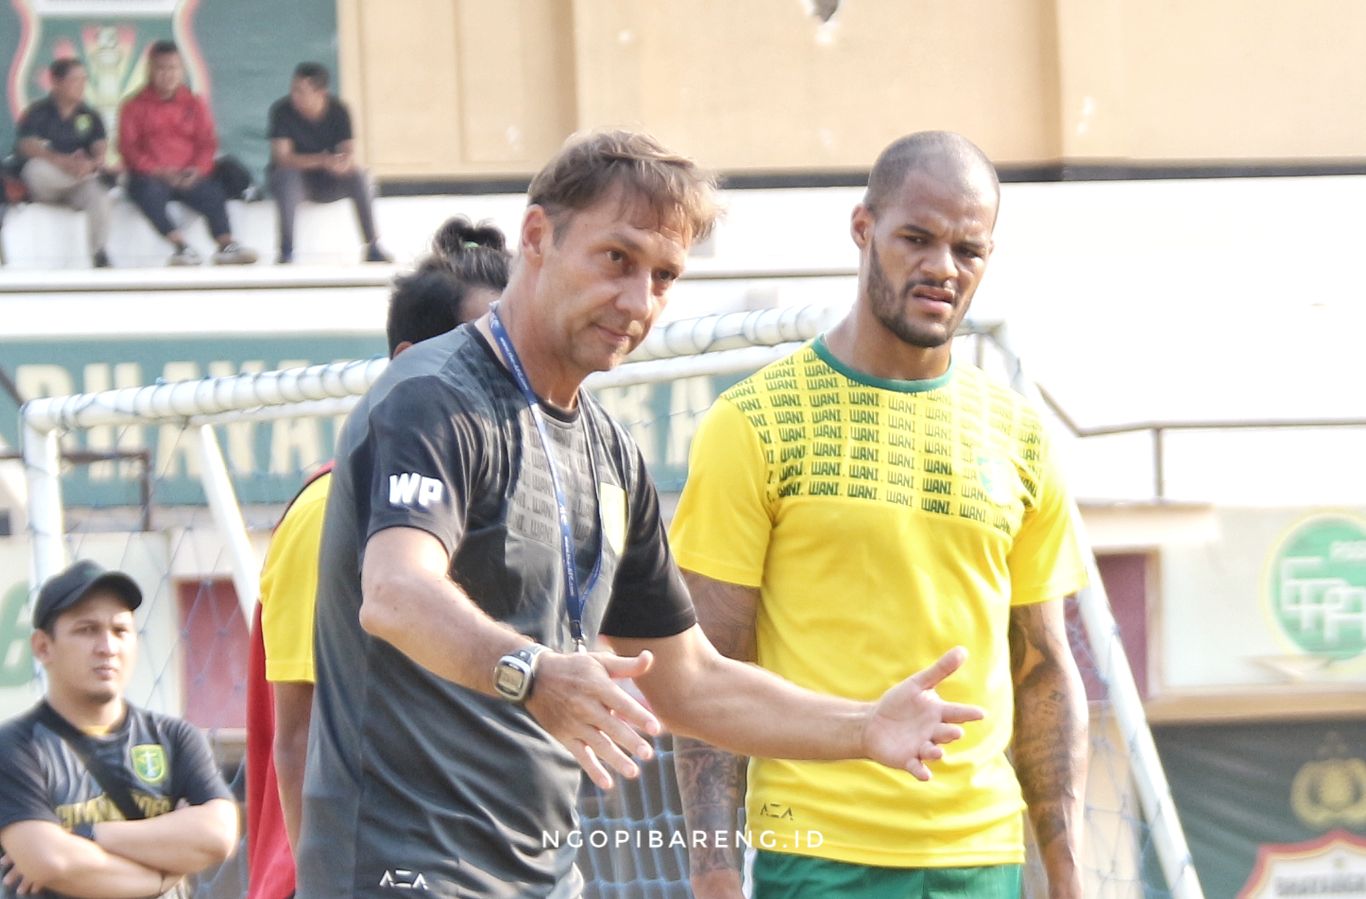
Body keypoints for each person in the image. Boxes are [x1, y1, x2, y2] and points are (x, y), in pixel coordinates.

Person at [294, 129, 986, 898]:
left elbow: (689, 681)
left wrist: (862, 727)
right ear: (537, 237)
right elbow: (394, 593)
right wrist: (534, 671)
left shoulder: (611, 454)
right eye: (616, 259)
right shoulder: (434, 395)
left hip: (544, 879)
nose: (638, 301)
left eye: (664, 276)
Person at [669, 131, 1091, 899]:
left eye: (969, 249)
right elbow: (709, 673)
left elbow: (1044, 669)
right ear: (863, 228)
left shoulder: (1022, 435)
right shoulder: (754, 422)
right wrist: (715, 877)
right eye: (917, 238)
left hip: (984, 860)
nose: (942, 268)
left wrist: (1067, 878)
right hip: (817, 858)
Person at [244, 217, 513, 899]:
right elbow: (298, 734)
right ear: (406, 360)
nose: (508, 370)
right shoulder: (332, 504)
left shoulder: (483, 510)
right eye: (481, 345)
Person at [0, 560, 238, 897]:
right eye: (86, 630)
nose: (107, 647)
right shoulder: (15, 748)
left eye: (121, 630)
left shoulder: (175, 738)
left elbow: (218, 835)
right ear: (42, 647)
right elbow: (49, 860)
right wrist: (162, 876)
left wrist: (86, 834)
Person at [118, 40, 257, 266]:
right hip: (153, 177)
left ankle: (226, 245)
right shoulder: (133, 106)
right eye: (161, 68)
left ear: (182, 70)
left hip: (188, 175)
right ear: (150, 70)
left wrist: (197, 169)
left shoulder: (194, 103)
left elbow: (207, 142)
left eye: (173, 68)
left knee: (213, 192)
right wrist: (159, 172)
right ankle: (181, 248)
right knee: (145, 191)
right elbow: (129, 149)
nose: (168, 75)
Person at [267, 62, 391, 265]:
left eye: (301, 91)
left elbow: (348, 150)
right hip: (298, 181)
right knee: (286, 177)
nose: (294, 96)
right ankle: (286, 250)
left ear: (321, 93)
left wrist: (343, 164)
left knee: (360, 175)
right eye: (293, 90)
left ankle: (373, 246)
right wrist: (322, 160)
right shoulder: (282, 111)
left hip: (330, 180)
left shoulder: (339, 110)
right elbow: (283, 158)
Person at [13, 58, 115, 268]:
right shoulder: (38, 112)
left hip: (79, 181)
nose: (80, 86)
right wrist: (61, 162)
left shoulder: (89, 115)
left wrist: (91, 163)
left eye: (83, 80)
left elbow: (100, 147)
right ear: (56, 82)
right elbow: (27, 145)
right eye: (74, 80)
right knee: (36, 169)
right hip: (49, 182)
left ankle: (98, 253)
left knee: (99, 196)